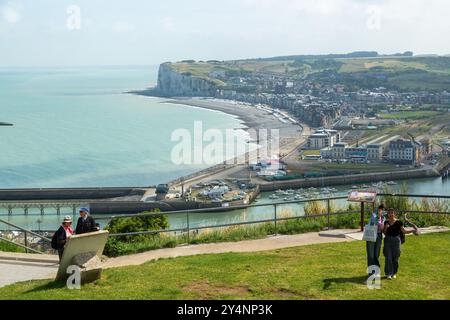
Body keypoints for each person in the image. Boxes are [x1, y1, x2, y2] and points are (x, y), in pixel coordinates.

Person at [383, 208, 415, 280]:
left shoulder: (399, 222)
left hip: (396, 240)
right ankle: (388, 273)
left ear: (394, 214)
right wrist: (385, 228)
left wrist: (412, 230)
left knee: (395, 257)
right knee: (388, 257)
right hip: (387, 240)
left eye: (392, 213)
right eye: (389, 213)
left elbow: (403, 231)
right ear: (387, 214)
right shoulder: (386, 222)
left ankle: (394, 273)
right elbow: (384, 233)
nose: (390, 214)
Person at [366, 204, 386, 271]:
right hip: (372, 234)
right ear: (378, 209)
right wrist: (378, 217)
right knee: (371, 254)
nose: (381, 211)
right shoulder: (374, 215)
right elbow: (373, 223)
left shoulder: (383, 218)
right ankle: (371, 270)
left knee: (377, 254)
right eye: (380, 209)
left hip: (379, 235)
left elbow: (382, 227)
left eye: (383, 210)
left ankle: (375, 269)